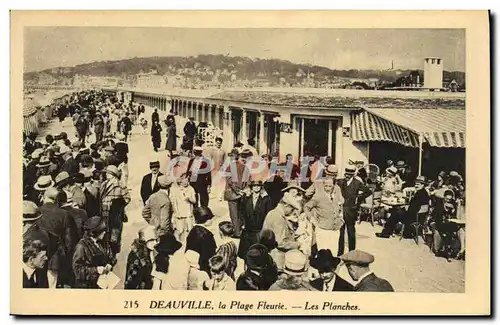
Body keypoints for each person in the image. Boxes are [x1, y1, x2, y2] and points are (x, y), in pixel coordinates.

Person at [38, 187, 78, 288]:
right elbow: (69, 241)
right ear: (56, 199)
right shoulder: (64, 214)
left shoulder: (37, 211)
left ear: (44, 197)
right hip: (55, 257)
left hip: (36, 254)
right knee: (52, 285)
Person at [72, 216, 116, 289]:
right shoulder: (81, 246)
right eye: (102, 231)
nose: (104, 232)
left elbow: (111, 257)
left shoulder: (104, 243)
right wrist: (96, 270)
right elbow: (77, 270)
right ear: (95, 232)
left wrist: (110, 264)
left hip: (102, 284)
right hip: (87, 287)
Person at [304, 177, 344, 256]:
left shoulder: (337, 195)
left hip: (335, 228)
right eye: (326, 186)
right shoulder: (318, 196)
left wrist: (341, 217)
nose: (328, 188)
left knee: (334, 251)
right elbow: (306, 207)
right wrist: (311, 219)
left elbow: (340, 206)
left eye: (330, 186)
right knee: (323, 252)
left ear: (333, 186)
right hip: (323, 228)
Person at [261, 194, 302, 271]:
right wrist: (298, 244)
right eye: (292, 209)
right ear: (286, 206)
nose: (292, 212)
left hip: (271, 256)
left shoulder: (272, 213)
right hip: (277, 259)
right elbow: (280, 243)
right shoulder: (279, 218)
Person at [337, 165, 370, 256]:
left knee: (351, 232)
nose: (347, 176)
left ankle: (352, 253)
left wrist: (358, 199)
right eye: (346, 174)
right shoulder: (340, 181)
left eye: (349, 174)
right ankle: (340, 253)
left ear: (353, 175)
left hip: (351, 210)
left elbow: (368, 191)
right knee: (341, 233)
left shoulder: (357, 183)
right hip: (341, 210)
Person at [99, 165, 131, 255]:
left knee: (114, 235)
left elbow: (127, 198)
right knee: (105, 234)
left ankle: (113, 254)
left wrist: (117, 204)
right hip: (104, 213)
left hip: (116, 214)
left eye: (107, 173)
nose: (105, 174)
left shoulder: (120, 185)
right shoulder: (104, 184)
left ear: (112, 174)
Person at [238, 179, 272, 259]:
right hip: (247, 230)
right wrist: (242, 223)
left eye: (258, 186)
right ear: (251, 187)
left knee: (257, 254)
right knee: (246, 253)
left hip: (258, 230)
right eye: (254, 186)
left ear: (261, 187)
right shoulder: (246, 197)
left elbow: (269, 213)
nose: (256, 188)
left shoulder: (266, 199)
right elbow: (241, 211)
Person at [124, 225, 158, 290]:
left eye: (156, 240)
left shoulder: (148, 252)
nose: (155, 243)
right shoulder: (136, 255)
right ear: (145, 240)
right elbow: (131, 280)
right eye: (152, 240)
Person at [185, 206, 217, 274]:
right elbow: (208, 255)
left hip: (192, 265)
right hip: (203, 268)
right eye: (210, 218)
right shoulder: (207, 235)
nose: (212, 220)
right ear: (205, 220)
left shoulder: (193, 231)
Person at [170, 173, 197, 242]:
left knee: (190, 230)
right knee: (180, 230)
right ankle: (178, 243)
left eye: (187, 181)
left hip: (188, 213)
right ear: (181, 181)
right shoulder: (175, 190)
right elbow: (173, 202)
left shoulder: (191, 189)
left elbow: (194, 201)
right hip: (179, 213)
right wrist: (176, 212)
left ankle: (190, 243)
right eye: (184, 181)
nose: (186, 183)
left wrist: (189, 200)